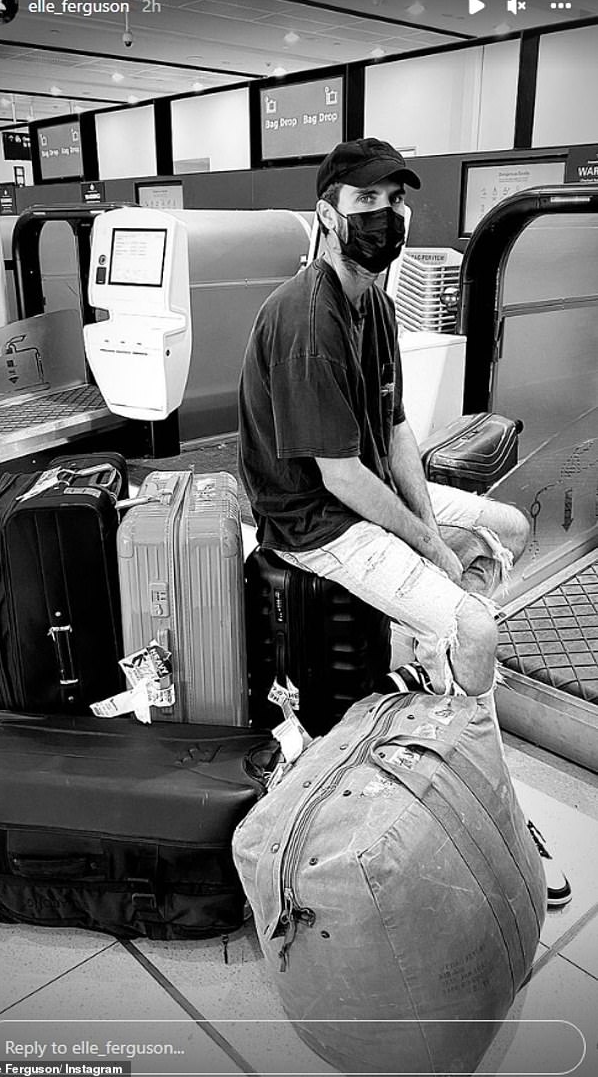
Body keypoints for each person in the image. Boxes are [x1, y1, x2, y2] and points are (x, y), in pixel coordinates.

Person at [238, 136, 571, 908]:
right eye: (368, 202)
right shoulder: (303, 317)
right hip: (314, 519)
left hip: (369, 484)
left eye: (396, 202)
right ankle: (500, 807)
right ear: (328, 214)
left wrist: (431, 528)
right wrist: (433, 552)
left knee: (510, 528)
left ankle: (441, 666)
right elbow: (338, 473)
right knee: (476, 627)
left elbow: (394, 434)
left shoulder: (376, 305)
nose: (388, 217)